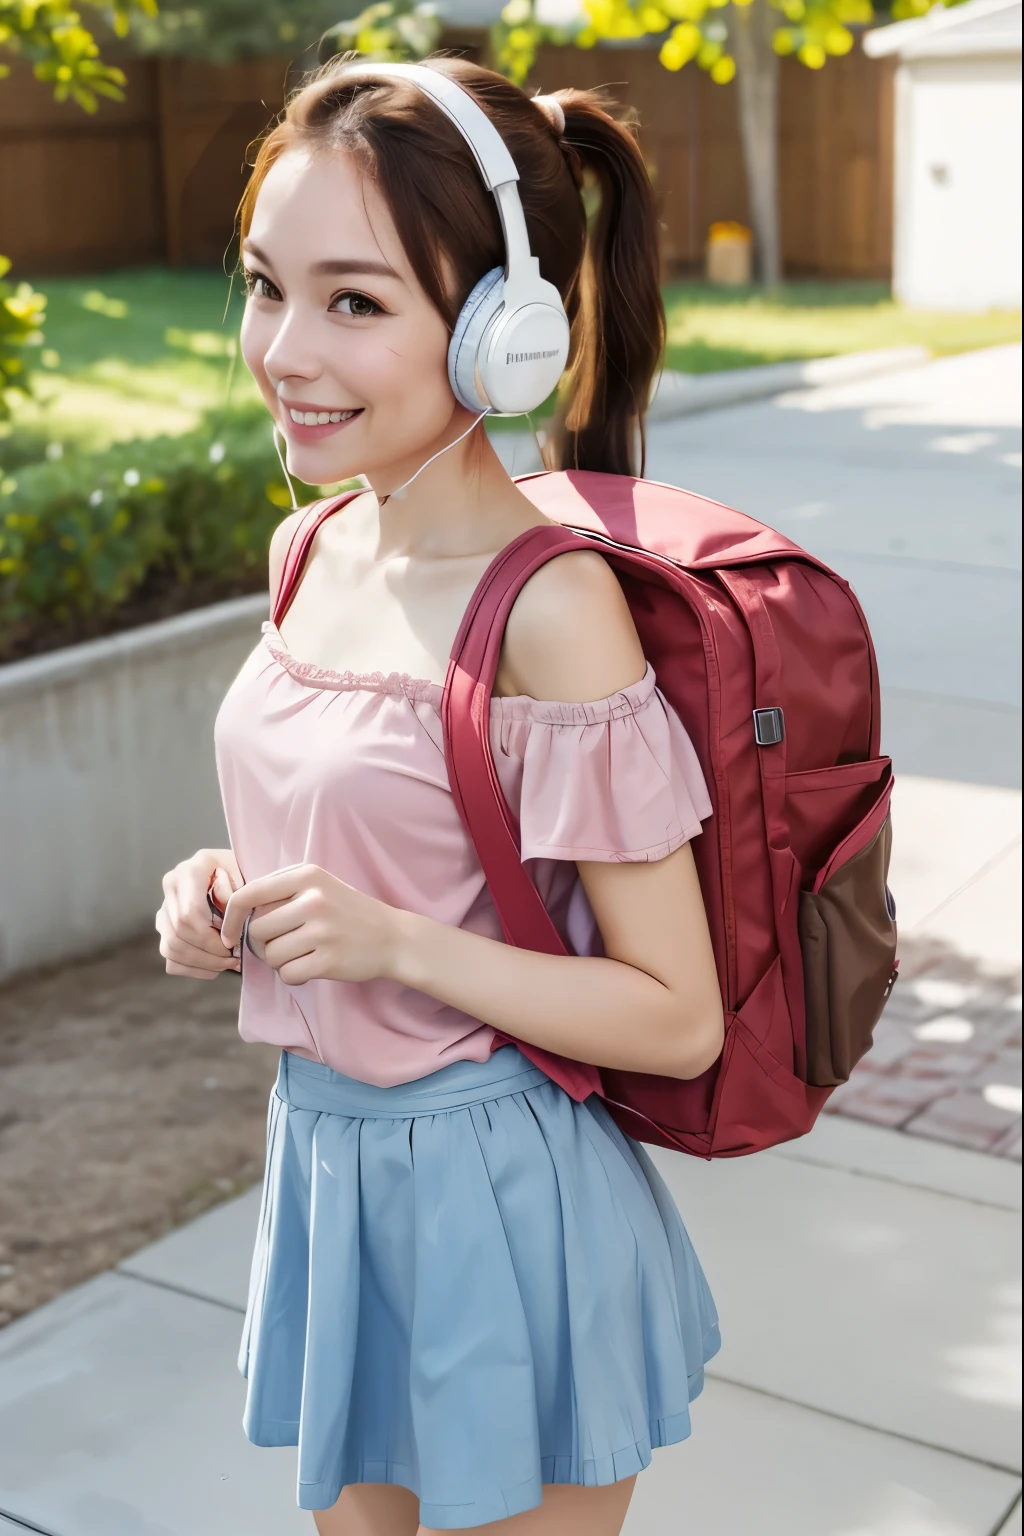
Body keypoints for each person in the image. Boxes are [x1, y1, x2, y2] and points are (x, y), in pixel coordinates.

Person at [155, 55, 725, 1536]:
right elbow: (372, 825)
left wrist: (399, 946)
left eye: (354, 302)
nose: (283, 349)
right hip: (329, 1177)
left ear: (500, 335)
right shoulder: (316, 551)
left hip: (503, 1204)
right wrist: (218, 887)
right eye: (265, 285)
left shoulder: (552, 609)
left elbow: (676, 1009)